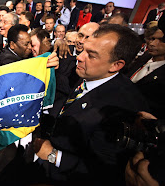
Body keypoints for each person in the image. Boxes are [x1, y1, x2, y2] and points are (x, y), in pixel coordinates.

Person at [33, 24, 150, 185]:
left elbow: (104, 171)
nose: (80, 57)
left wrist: (54, 155)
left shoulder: (123, 109)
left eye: (91, 55)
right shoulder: (92, 72)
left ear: (116, 65)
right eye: (84, 50)